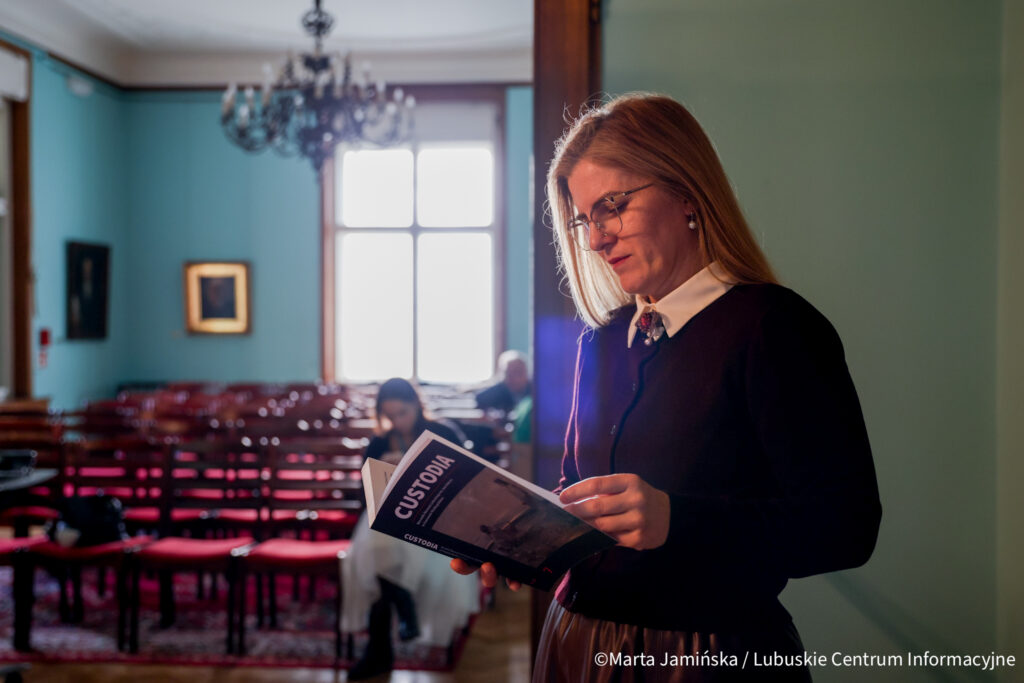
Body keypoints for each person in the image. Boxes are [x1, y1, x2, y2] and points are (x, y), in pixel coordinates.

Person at [452, 93, 882, 682]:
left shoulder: (773, 327)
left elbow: (846, 527)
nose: (598, 237)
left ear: (686, 192)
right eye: (584, 219)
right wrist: (516, 542)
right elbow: (580, 501)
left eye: (613, 206)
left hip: (706, 657)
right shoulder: (598, 343)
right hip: (573, 643)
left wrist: (677, 520)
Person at [343, 378, 479, 680]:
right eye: (390, 416)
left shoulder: (443, 433)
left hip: (434, 524)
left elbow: (466, 483)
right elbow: (364, 491)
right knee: (376, 545)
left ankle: (383, 644)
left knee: (380, 560)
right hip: (389, 525)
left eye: (402, 413)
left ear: (416, 406)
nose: (397, 421)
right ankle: (396, 614)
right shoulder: (379, 442)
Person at [475, 350, 531, 415]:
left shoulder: (535, 391)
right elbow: (480, 399)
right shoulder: (498, 390)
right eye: (509, 373)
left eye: (518, 372)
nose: (515, 377)